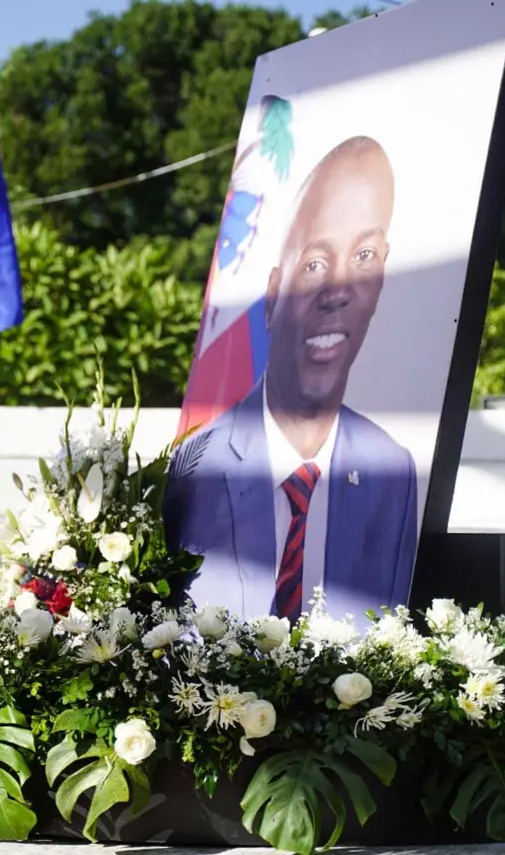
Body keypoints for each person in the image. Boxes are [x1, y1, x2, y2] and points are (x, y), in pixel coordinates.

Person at [164, 136, 417, 626]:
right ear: (273, 295)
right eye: (316, 264)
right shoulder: (199, 464)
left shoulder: (393, 472)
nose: (338, 289)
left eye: (365, 256)